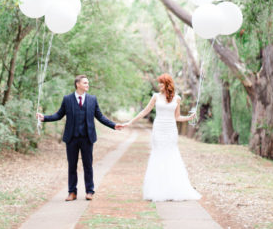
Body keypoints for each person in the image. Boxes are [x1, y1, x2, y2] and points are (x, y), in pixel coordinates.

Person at [36, 74, 123, 201]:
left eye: (88, 83)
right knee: (72, 165)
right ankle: (72, 192)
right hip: (72, 138)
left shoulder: (92, 99)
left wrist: (114, 125)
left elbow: (100, 116)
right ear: (78, 84)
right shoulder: (67, 99)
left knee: (88, 165)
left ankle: (89, 191)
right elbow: (59, 115)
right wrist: (44, 118)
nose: (87, 85)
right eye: (85, 83)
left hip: (87, 138)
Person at [123, 73, 201, 202]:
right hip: (158, 129)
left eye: (161, 83)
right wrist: (130, 122)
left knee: (171, 155)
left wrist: (188, 118)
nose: (159, 85)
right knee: (158, 155)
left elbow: (177, 117)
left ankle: (173, 189)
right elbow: (144, 111)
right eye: (159, 82)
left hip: (171, 130)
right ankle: (157, 190)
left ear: (167, 84)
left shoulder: (177, 98)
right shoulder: (155, 97)